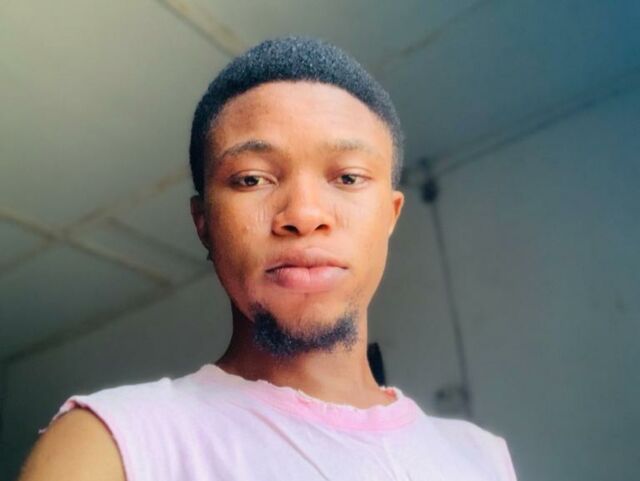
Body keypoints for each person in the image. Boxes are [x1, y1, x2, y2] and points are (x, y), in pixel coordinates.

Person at [18, 36, 517, 481]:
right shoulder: (115, 444)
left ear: (390, 214)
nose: (303, 215)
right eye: (252, 179)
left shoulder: (481, 458)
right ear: (204, 223)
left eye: (347, 177)